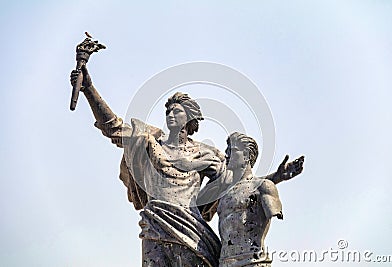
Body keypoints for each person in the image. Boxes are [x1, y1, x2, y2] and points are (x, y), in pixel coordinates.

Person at [70, 66, 229, 266]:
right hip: (154, 224)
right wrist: (89, 89)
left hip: (192, 229)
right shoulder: (148, 141)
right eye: (168, 111)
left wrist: (204, 203)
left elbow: (228, 182)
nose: (170, 114)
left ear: (190, 117)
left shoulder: (204, 153)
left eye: (177, 111)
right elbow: (113, 127)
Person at [215, 132, 304, 267]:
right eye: (226, 150)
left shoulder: (264, 186)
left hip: (253, 262)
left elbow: (254, 189)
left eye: (232, 150)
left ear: (247, 156)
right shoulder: (223, 193)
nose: (226, 154)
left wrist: (275, 179)